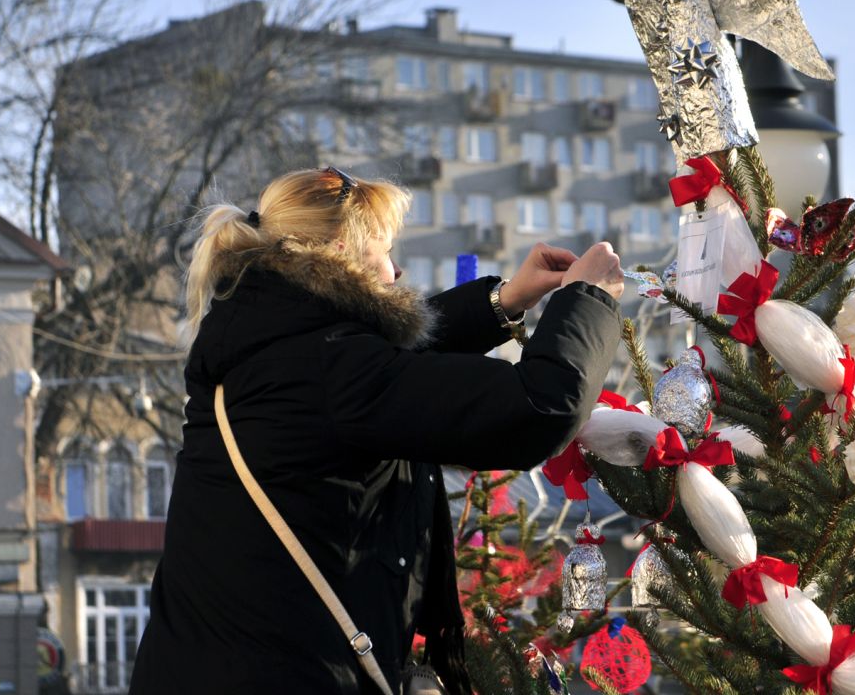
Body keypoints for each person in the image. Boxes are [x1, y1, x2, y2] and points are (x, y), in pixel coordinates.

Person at [129, 167, 624, 694]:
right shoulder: (334, 369)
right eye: (385, 252)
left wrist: (502, 302)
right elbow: (539, 408)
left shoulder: (269, 340)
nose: (396, 271)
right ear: (343, 252)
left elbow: (384, 368)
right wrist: (588, 300)